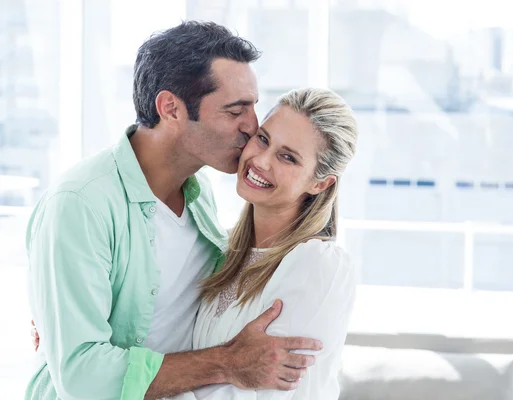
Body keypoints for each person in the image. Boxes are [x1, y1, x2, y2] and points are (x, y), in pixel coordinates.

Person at [25, 21, 322, 400]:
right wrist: (226, 363)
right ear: (171, 109)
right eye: (236, 111)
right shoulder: (81, 204)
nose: (252, 126)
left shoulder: (201, 196)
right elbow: (84, 378)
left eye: (253, 107)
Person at [171, 87, 359, 399]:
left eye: (287, 157)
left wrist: (146, 389)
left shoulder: (318, 265)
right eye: (263, 139)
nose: (261, 161)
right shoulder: (225, 253)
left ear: (319, 183)